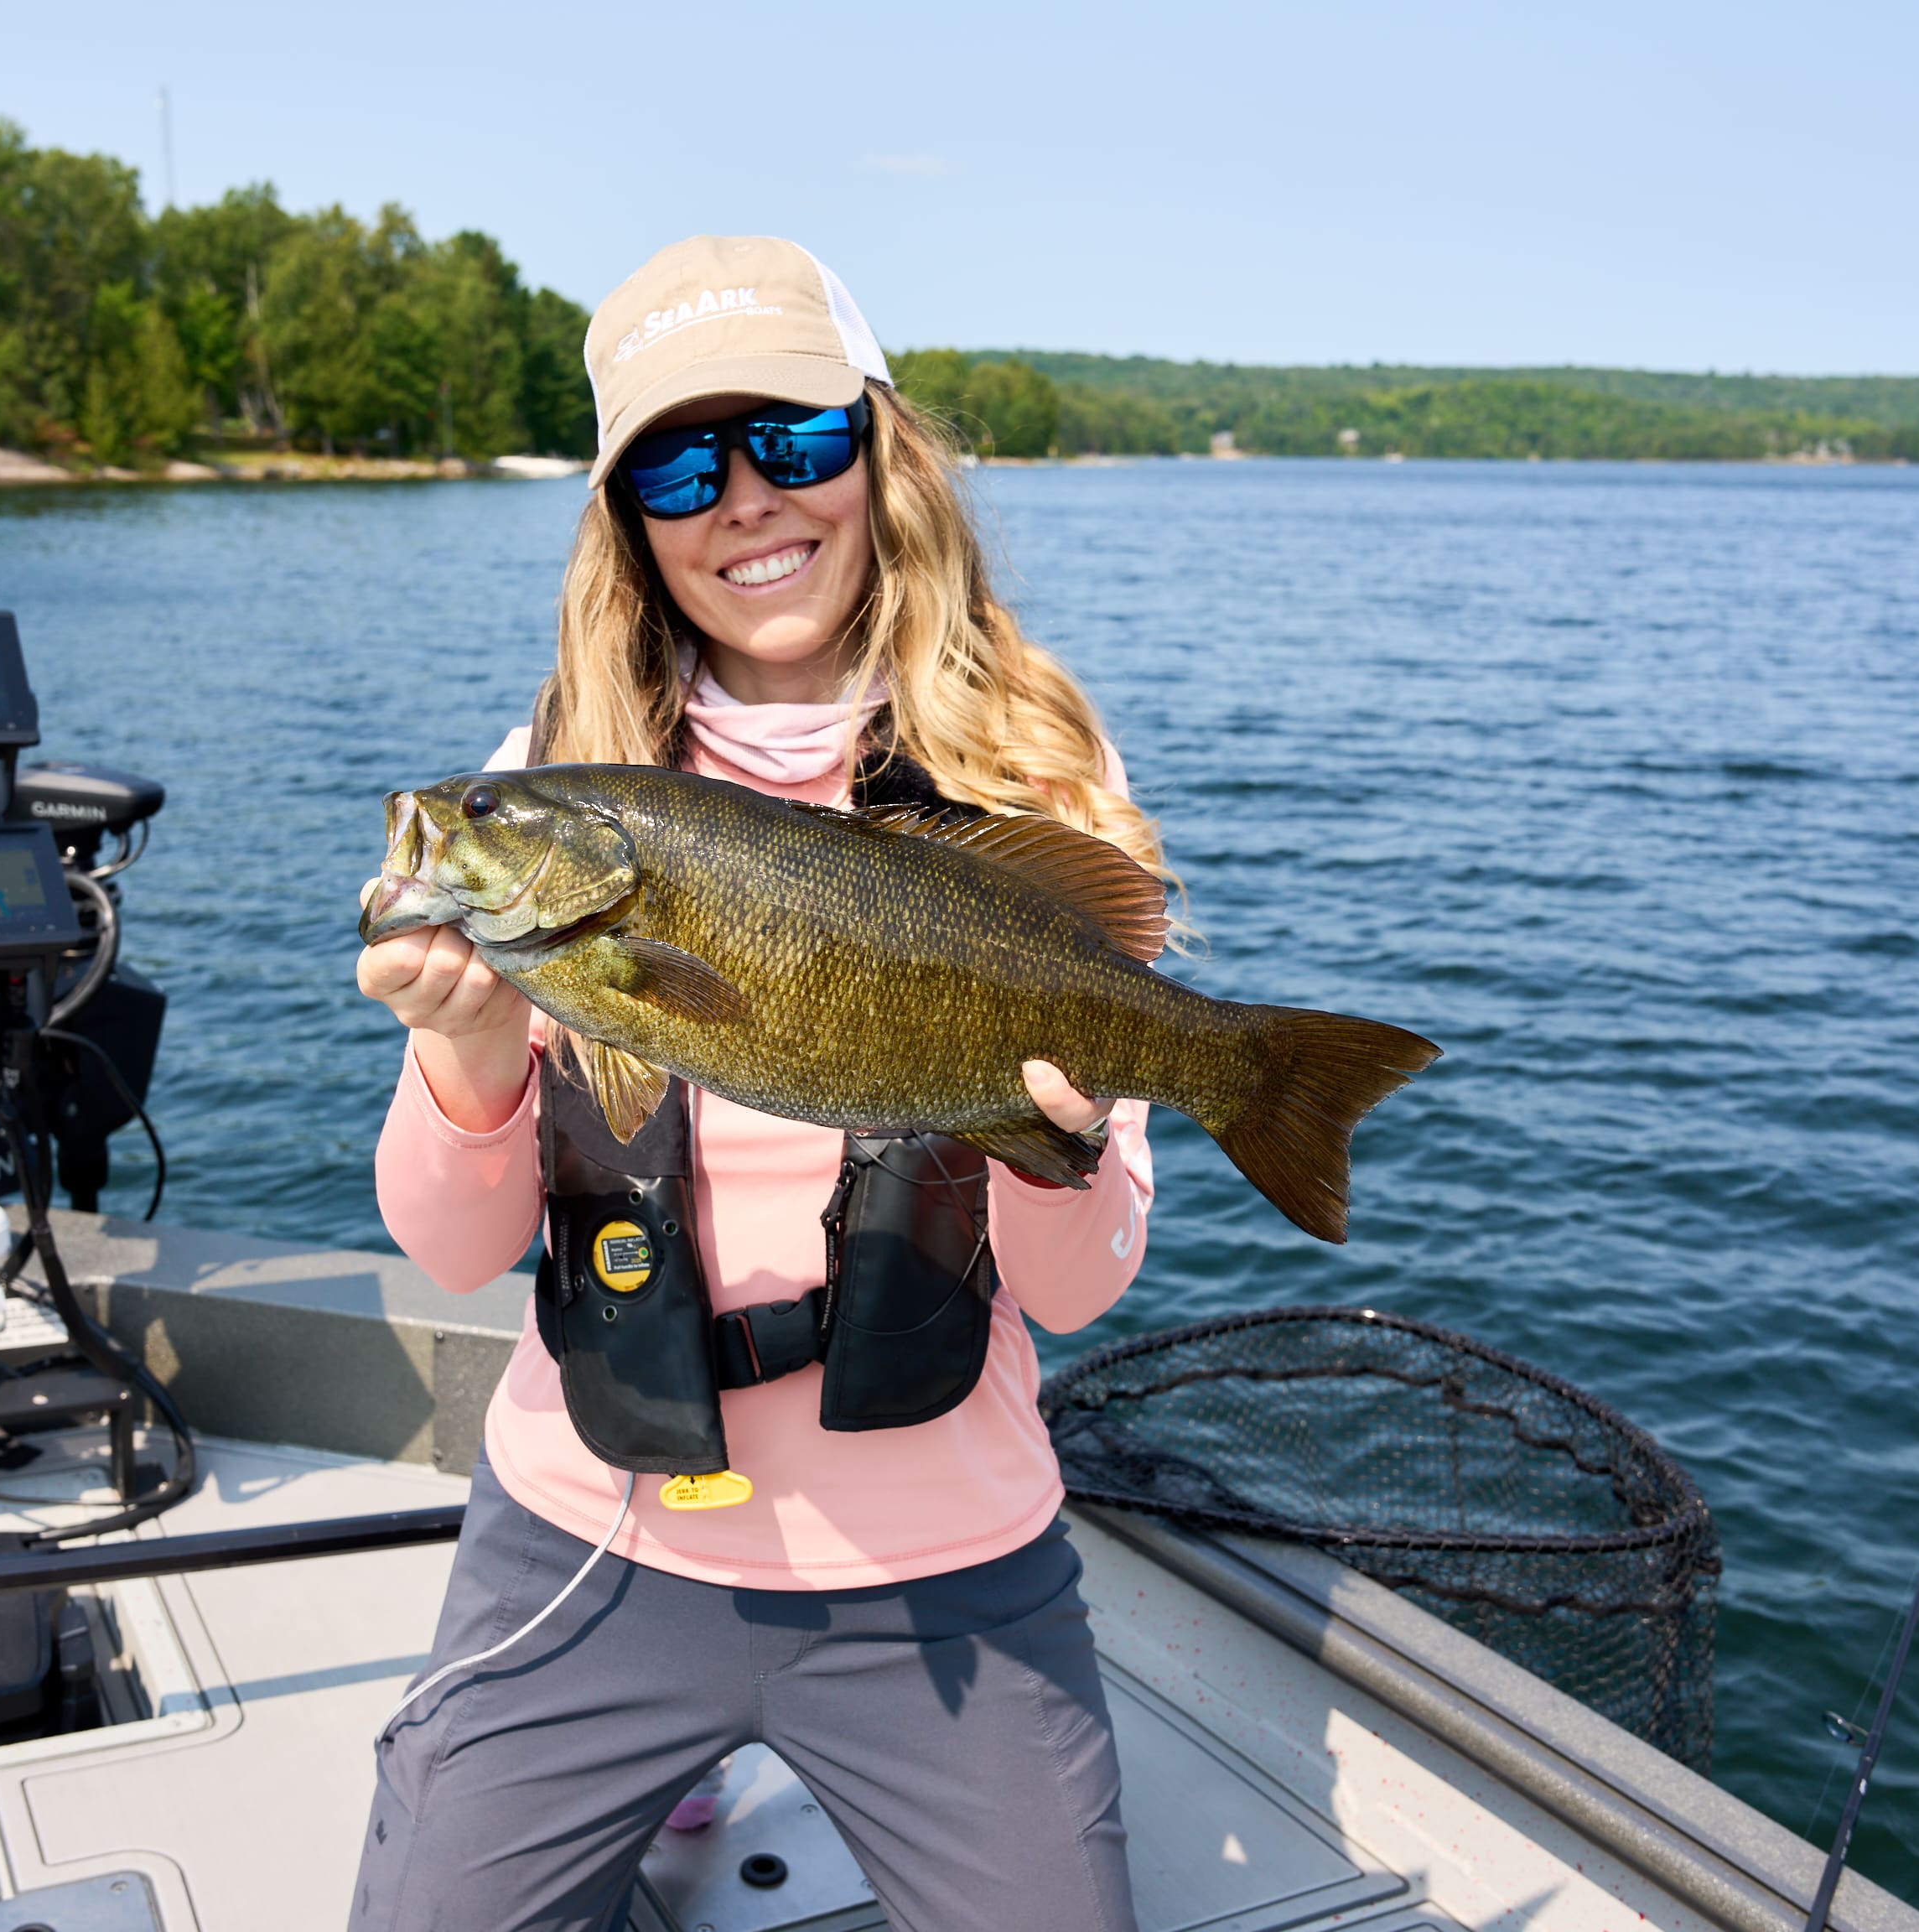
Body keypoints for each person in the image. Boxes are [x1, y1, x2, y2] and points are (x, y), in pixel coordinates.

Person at [348, 235, 1166, 1932]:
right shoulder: (543, 786)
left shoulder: (1031, 785)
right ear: (627, 520)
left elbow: (1078, 1289)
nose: (742, 502)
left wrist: (1066, 1144)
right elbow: (446, 1252)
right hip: (592, 1537)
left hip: (942, 1571)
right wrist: (472, 1049)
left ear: (878, 451)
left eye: (791, 441)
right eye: (674, 463)